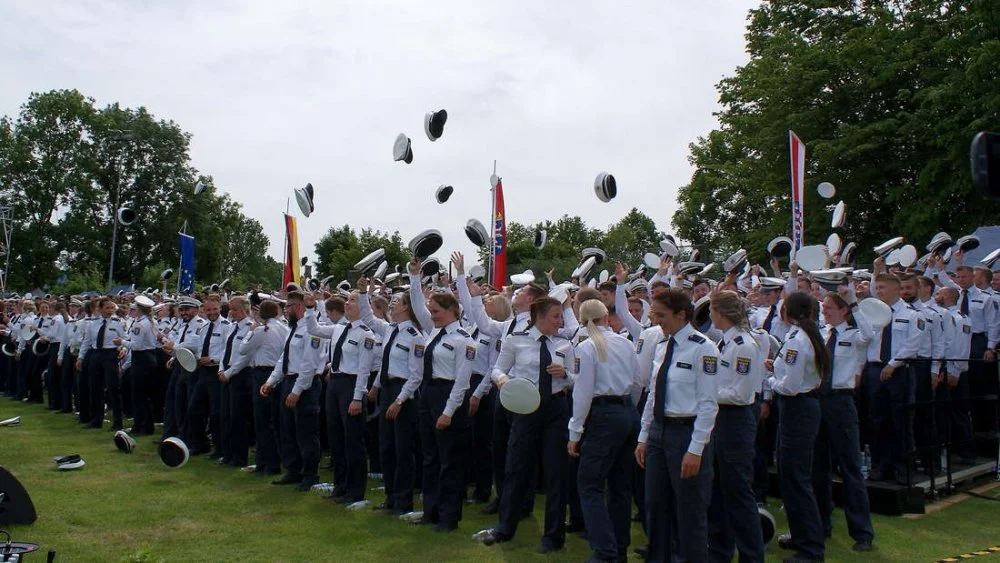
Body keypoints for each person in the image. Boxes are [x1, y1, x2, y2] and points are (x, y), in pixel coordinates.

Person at [475, 296, 576, 553]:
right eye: (555, 316)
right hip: (525, 409)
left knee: (556, 473)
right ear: (540, 316)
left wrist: (565, 375)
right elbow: (497, 369)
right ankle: (504, 528)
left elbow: (577, 379)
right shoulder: (514, 340)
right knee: (516, 468)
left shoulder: (564, 344)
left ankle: (553, 537)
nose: (560, 321)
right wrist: (504, 382)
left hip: (555, 409)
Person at [635, 289, 719, 562]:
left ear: (681, 315)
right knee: (655, 505)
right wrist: (644, 435)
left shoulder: (702, 348)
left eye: (661, 315)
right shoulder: (662, 345)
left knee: (689, 509)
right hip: (660, 432)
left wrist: (696, 449)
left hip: (686, 433)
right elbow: (654, 396)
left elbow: (708, 404)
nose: (657, 321)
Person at [568, 299, 640, 562]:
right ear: (605, 318)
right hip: (626, 411)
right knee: (620, 486)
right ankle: (618, 548)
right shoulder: (626, 342)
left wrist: (574, 432)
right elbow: (637, 381)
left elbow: (583, 392)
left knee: (589, 485)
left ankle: (604, 551)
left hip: (604, 414)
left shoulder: (586, 348)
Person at [807, 289, 875, 553]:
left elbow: (869, 335)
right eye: (823, 309)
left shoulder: (853, 334)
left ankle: (862, 533)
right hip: (817, 401)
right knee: (818, 468)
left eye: (829, 309)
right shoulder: (822, 333)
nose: (824, 313)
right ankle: (821, 525)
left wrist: (854, 303)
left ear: (844, 310)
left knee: (850, 468)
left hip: (841, 402)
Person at [408, 276, 475, 533]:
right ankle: (430, 510)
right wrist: (415, 276)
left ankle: (449, 517)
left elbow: (462, 381)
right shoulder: (434, 331)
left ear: (451, 311)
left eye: (436, 311)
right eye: (431, 311)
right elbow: (416, 305)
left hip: (450, 397)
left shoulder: (463, 339)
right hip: (429, 393)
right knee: (430, 458)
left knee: (450, 461)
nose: (432, 315)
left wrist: (448, 412)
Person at [767, 291, 830, 562]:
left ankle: (811, 548)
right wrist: (777, 370)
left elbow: (790, 387)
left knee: (796, 480)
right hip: (802, 407)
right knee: (792, 477)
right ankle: (802, 536)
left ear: (787, 312)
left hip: (797, 408)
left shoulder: (796, 340)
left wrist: (770, 379)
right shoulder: (806, 336)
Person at [706, 290, 765, 563]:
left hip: (736, 419)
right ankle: (720, 550)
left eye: (712, 309)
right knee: (718, 490)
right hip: (721, 419)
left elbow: (741, 394)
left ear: (721, 313)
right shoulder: (725, 342)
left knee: (738, 492)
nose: (708, 314)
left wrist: (705, 396)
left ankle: (752, 555)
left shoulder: (743, 345)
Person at [359, 277, 423, 516]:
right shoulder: (390, 330)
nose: (393, 304)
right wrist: (364, 293)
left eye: (397, 302)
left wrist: (399, 401)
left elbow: (415, 376)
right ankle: (390, 496)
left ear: (407, 307)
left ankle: (404, 500)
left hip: (402, 394)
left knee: (403, 449)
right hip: (387, 389)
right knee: (386, 447)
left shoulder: (415, 336)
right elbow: (367, 318)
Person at [303, 290, 375, 505]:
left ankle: (356, 490)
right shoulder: (339, 328)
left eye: (353, 300)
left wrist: (357, 397)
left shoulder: (366, 334)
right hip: (334, 383)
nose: (348, 303)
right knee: (336, 437)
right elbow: (313, 329)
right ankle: (340, 485)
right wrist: (309, 308)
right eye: (347, 300)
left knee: (353, 440)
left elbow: (364, 369)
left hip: (351, 385)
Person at [261, 291, 326, 491]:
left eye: (288, 306)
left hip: (305, 385)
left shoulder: (312, 329)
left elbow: (309, 364)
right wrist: (271, 381)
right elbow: (284, 359)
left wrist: (297, 391)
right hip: (289, 381)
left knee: (306, 432)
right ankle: (293, 470)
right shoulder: (293, 328)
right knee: (287, 429)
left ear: (298, 307)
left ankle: (309, 475)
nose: (285, 310)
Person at [864, 273, 923, 483]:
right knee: (877, 420)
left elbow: (913, 344)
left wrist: (893, 364)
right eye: (877, 288)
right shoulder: (872, 314)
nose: (878, 291)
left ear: (895, 289)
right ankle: (880, 466)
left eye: (882, 288)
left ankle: (903, 469)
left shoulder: (911, 314)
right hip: (874, 370)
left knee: (901, 420)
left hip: (899, 371)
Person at [240, 299, 287, 475]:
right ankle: (269, 461)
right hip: (278, 373)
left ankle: (268, 463)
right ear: (276, 312)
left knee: (262, 421)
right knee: (273, 420)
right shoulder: (285, 328)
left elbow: (243, 349)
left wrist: (249, 333)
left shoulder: (261, 331)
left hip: (263, 374)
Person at [186, 294, 231, 457]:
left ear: (220, 309)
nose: (212, 312)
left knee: (216, 413)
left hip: (216, 371)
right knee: (194, 409)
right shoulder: (204, 327)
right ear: (203, 311)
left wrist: (212, 359)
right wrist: (198, 358)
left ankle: (220, 449)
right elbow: (199, 346)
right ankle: (200, 443)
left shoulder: (227, 326)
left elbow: (229, 351)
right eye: (208, 310)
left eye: (215, 309)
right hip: (203, 371)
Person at [77, 297, 127, 430]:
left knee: (113, 388)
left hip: (110, 354)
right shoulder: (93, 323)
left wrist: (123, 349)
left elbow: (126, 339)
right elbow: (87, 342)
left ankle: (117, 422)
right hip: (96, 354)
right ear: (100, 309)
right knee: (95, 387)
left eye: (112, 308)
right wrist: (81, 358)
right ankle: (96, 419)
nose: (110, 311)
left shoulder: (118, 323)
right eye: (107, 308)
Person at [218, 295, 255, 467]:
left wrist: (230, 372)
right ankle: (228, 453)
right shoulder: (232, 327)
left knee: (238, 417)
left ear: (244, 309)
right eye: (230, 309)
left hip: (240, 375)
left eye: (235, 309)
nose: (231, 313)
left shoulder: (250, 327)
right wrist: (221, 369)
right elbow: (225, 350)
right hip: (226, 372)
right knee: (225, 415)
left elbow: (245, 357)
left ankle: (239, 456)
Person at [116, 299, 159, 435]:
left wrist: (121, 342)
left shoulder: (140, 324)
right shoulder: (151, 322)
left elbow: (137, 345)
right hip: (149, 357)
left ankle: (141, 426)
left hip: (141, 359)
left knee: (139, 395)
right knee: (144, 395)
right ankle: (145, 425)